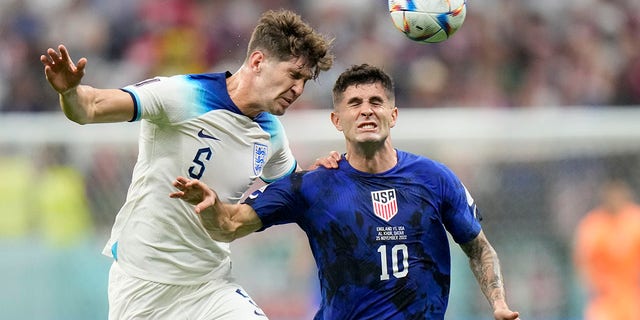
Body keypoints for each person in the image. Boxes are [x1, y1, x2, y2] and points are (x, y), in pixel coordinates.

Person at [40, 9, 335, 320]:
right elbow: (89, 108)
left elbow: (294, 188)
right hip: (143, 285)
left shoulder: (272, 133)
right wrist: (70, 91)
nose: (299, 90)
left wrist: (323, 174)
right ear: (258, 61)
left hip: (210, 286)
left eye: (304, 81)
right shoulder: (183, 94)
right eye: (294, 75)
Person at [170, 64, 520, 319]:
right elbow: (230, 225)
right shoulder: (314, 186)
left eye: (375, 101)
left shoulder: (434, 179)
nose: (366, 110)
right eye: (354, 103)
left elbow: (478, 248)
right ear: (337, 120)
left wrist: (499, 303)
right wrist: (213, 206)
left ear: (393, 115)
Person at [574, 179, 640, 320]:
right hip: (605, 298)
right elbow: (583, 262)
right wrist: (595, 286)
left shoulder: (635, 220)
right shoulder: (593, 225)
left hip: (633, 294)